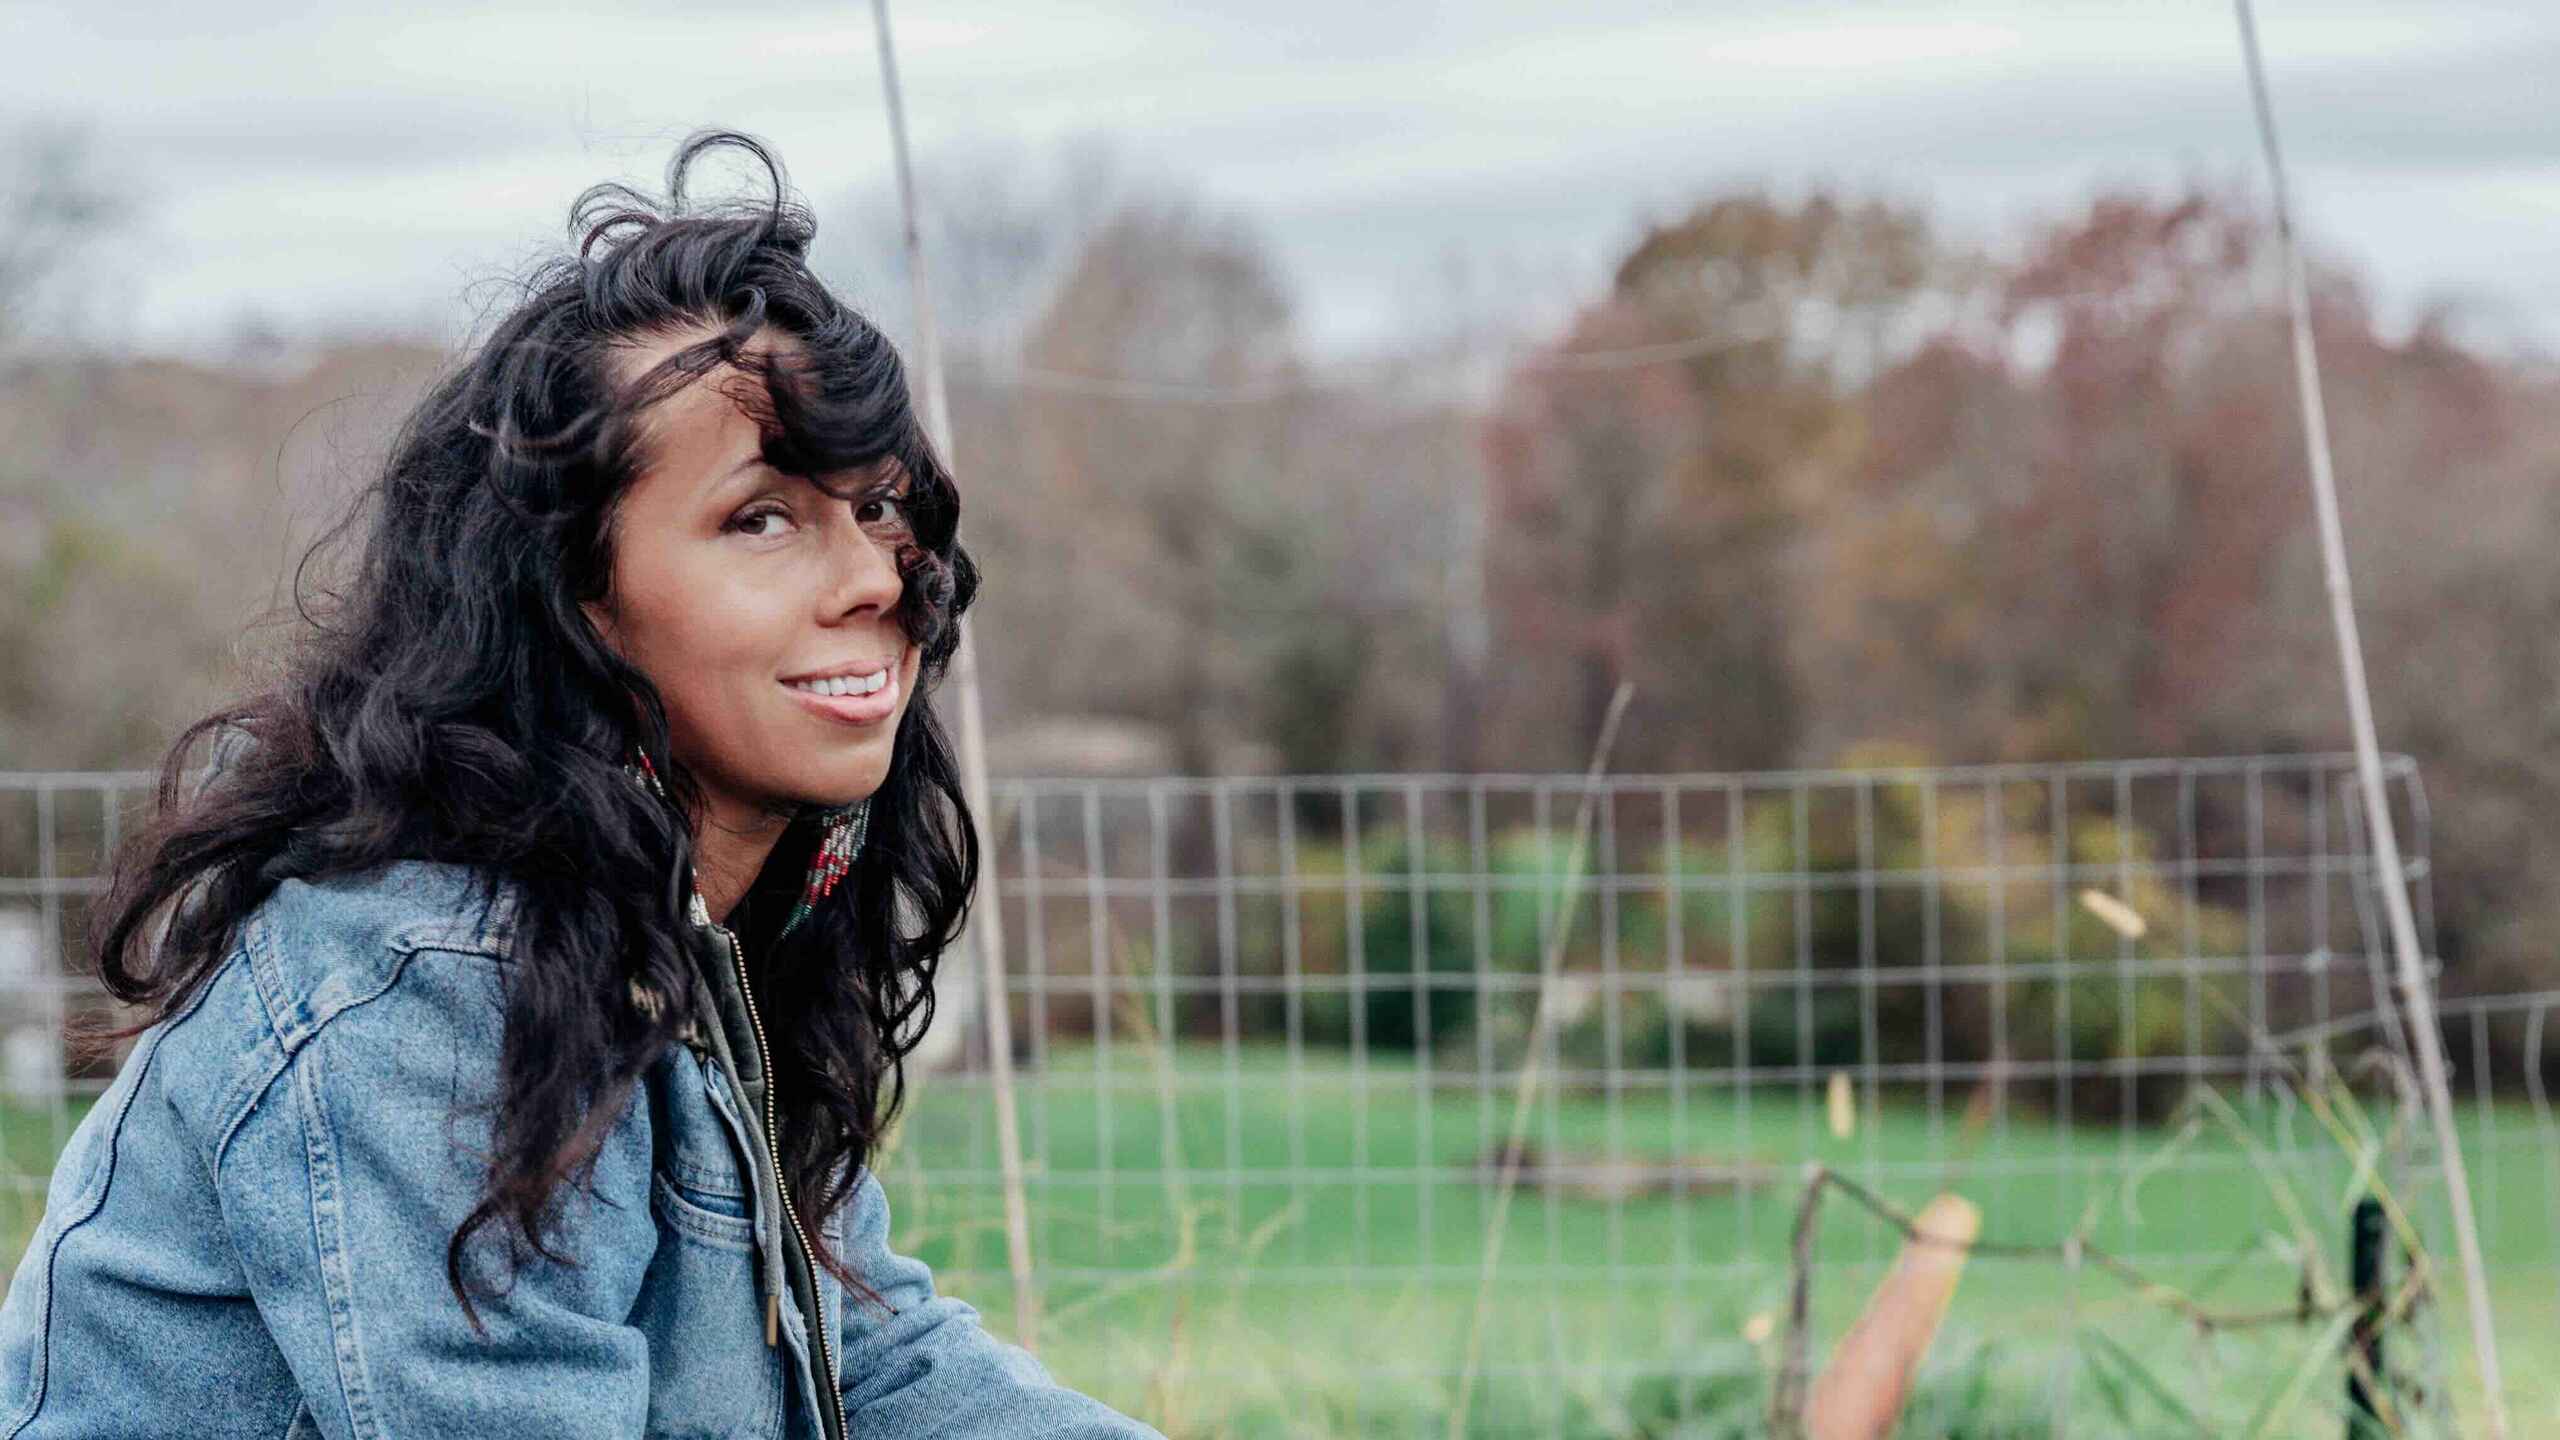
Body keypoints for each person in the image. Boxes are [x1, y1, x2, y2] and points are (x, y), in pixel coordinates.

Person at [0, 130, 1160, 1440]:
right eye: (765, 517)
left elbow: (872, 1360)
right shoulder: (429, 976)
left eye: (879, 508)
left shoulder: (692, 937)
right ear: (577, 596)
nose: (874, 577)